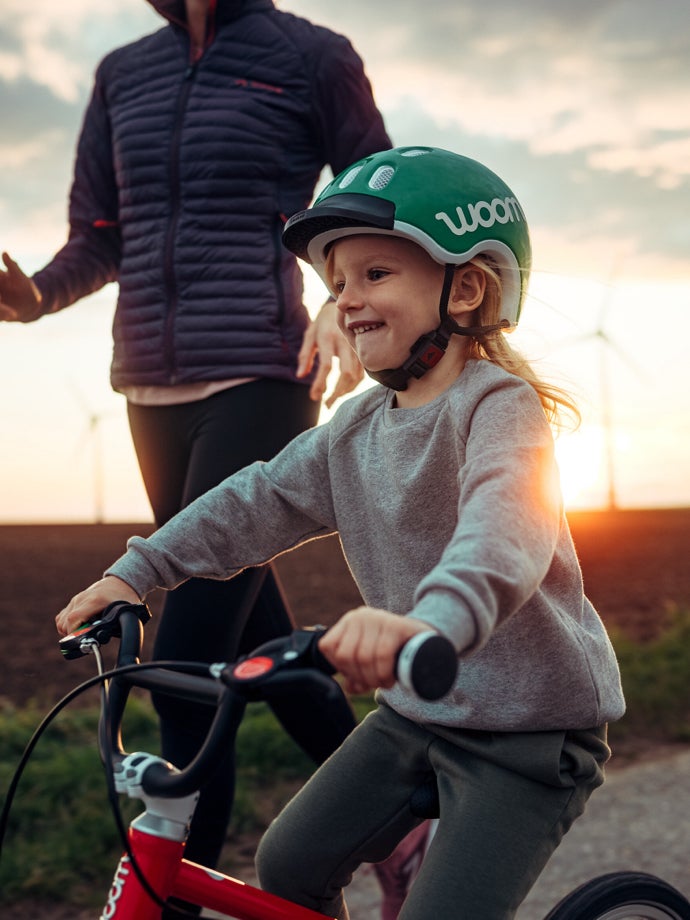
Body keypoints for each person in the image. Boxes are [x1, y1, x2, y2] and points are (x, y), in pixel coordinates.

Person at [55, 146, 626, 920]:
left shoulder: (501, 409)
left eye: (376, 274)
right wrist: (140, 570)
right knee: (287, 864)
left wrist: (427, 624)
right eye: (337, 283)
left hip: (528, 733)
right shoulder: (353, 430)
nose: (347, 302)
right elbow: (253, 500)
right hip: (417, 712)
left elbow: (504, 538)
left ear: (469, 287)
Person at [0, 0, 391, 893]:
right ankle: (399, 826)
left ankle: (170, 893)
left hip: (261, 372)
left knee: (180, 665)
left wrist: (338, 300)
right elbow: (99, 236)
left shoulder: (312, 55)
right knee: (261, 636)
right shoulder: (122, 73)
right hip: (147, 387)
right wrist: (34, 301)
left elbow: (380, 203)